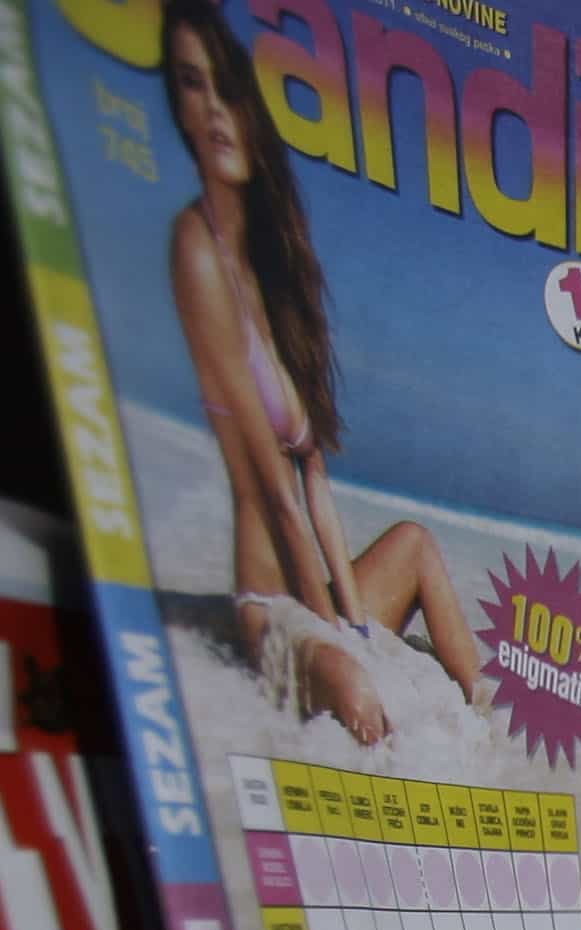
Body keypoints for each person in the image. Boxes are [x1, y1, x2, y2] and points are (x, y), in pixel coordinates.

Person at [157, 0, 489, 747]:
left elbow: (313, 488)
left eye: (227, 89)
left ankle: (488, 721)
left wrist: (353, 615)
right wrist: (336, 635)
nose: (213, 109)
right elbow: (274, 495)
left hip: (320, 593)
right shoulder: (196, 248)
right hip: (269, 603)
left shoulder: (276, 299)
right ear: (176, 106)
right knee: (358, 690)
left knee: (412, 543)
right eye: (190, 84)